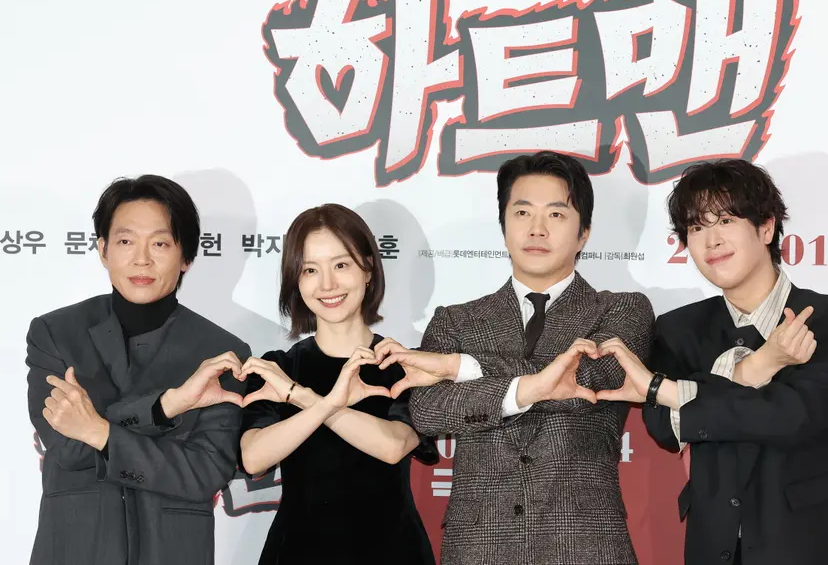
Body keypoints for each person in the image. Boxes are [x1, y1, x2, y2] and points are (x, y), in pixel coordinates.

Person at [375, 151, 655, 565]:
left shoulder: (622, 310)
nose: (537, 228)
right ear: (504, 226)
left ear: (584, 233)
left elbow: (591, 376)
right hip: (478, 546)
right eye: (522, 212)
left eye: (556, 214)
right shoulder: (455, 320)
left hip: (586, 543)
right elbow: (429, 411)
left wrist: (460, 368)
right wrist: (536, 385)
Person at [598, 159, 828, 565]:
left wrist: (665, 390)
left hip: (820, 549)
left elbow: (790, 416)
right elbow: (664, 427)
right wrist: (761, 365)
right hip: (716, 548)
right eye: (696, 227)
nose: (711, 241)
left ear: (766, 228)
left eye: (726, 221)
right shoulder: (678, 329)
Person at [26, 175, 251, 565]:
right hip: (75, 550)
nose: (141, 259)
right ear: (103, 249)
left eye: (160, 243)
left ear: (186, 256)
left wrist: (98, 430)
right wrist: (165, 407)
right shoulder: (55, 334)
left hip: (172, 552)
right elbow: (68, 447)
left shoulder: (221, 353)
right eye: (126, 241)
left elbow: (205, 472)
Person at [237, 203, 438, 565]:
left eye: (341, 265)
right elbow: (254, 457)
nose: (327, 284)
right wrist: (326, 402)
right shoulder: (278, 368)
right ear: (296, 280)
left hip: (392, 551)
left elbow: (393, 445)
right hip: (298, 551)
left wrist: (302, 397)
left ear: (368, 268)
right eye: (310, 270)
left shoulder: (405, 365)